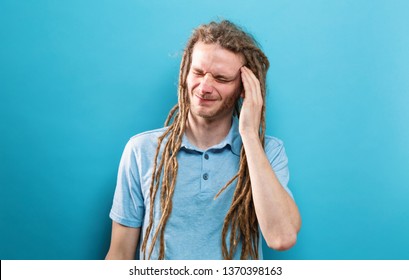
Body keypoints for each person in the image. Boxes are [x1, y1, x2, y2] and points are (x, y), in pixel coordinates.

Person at [105, 20, 301, 260]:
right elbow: (120, 255)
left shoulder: (268, 151)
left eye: (221, 78)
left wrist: (249, 135)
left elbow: (282, 237)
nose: (204, 87)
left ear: (244, 89)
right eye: (198, 72)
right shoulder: (142, 151)